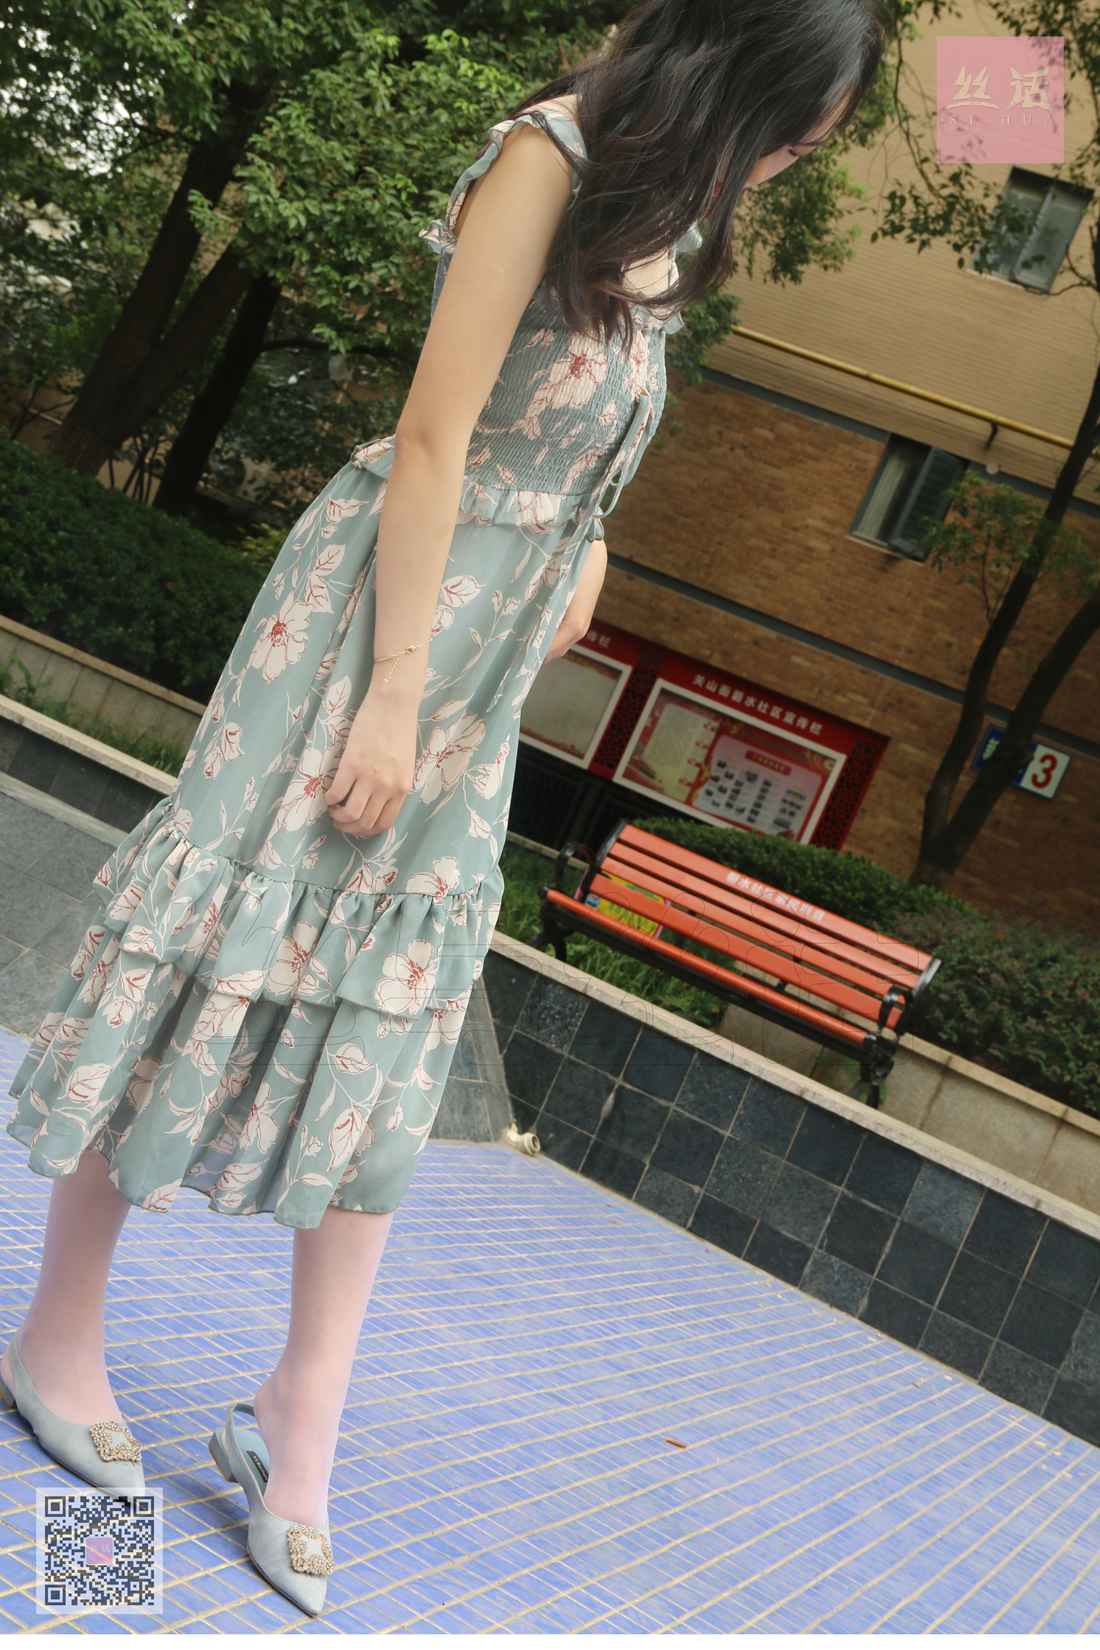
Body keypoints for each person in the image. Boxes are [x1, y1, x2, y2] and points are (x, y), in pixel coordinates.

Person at [1, 0, 887, 1614]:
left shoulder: (667, 220)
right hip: (376, 631)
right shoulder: (545, 159)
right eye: (791, 127)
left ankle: (301, 1412)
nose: (789, 160)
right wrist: (395, 691)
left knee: (396, 1009)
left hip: (483, 671)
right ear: (733, 73)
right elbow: (433, 433)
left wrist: (589, 550)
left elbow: (583, 447)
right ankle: (58, 1333)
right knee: (211, 944)